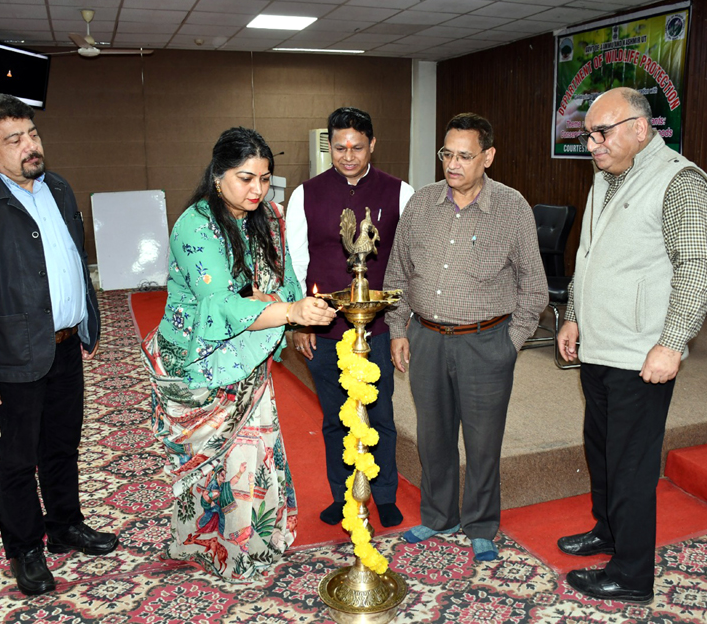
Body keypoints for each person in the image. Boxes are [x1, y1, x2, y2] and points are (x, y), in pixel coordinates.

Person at [141, 127, 336, 581]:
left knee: (250, 456)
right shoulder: (195, 226)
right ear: (217, 175)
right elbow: (219, 304)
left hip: (249, 357)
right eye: (246, 178)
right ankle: (210, 545)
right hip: (199, 363)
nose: (257, 190)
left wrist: (292, 313)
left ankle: (254, 541)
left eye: (265, 179)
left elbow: (285, 278)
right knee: (213, 464)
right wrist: (287, 310)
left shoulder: (267, 217)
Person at [0, 94, 118, 596]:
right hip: (13, 351)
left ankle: (65, 525)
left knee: (62, 444)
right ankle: (24, 548)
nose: (30, 146)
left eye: (33, 134)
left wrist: (86, 321)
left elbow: (72, 259)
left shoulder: (56, 187)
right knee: (20, 458)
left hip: (63, 345)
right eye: (14, 140)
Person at [556, 87, 707, 603]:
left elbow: (699, 268)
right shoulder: (606, 174)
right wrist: (573, 315)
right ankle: (608, 532)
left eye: (601, 133)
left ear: (639, 127)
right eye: (588, 135)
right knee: (602, 451)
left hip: (642, 355)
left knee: (630, 466)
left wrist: (671, 343)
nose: (592, 145)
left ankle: (631, 575)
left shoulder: (680, 182)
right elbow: (589, 254)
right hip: (600, 346)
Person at [385, 113, 547, 561]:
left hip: (486, 343)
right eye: (447, 154)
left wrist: (510, 344)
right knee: (432, 436)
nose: (452, 164)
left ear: (488, 156)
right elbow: (397, 273)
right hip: (427, 338)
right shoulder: (421, 203)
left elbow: (534, 286)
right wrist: (398, 329)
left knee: (482, 441)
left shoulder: (512, 208)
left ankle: (480, 523)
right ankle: (439, 516)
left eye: (464, 156)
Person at [286, 107, 415, 527]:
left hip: (378, 327)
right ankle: (343, 495)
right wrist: (300, 322)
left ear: (372, 144)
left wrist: (400, 326)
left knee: (380, 414)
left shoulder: (400, 193)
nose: (348, 156)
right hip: (324, 328)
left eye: (357, 147)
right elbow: (294, 263)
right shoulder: (306, 194)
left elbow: (409, 263)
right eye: (340, 148)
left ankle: (385, 494)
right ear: (330, 146)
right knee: (335, 417)